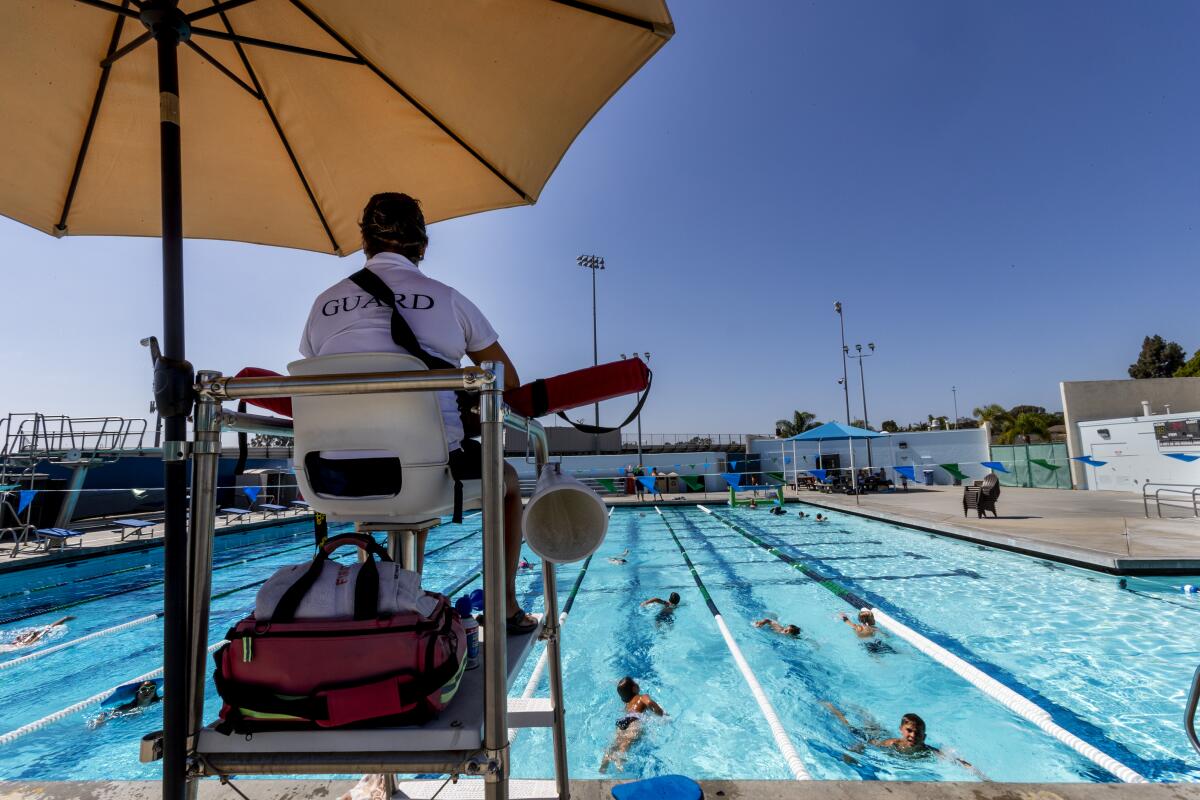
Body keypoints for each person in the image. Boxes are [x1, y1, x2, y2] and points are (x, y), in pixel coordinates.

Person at [300, 192, 536, 633]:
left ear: (365, 244)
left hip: (331, 477)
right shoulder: (447, 299)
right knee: (501, 480)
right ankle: (504, 607)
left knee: (395, 475)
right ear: (422, 246)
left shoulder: (323, 304)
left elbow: (326, 378)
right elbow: (508, 380)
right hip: (421, 471)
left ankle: (382, 605)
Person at [821, 704, 983, 776]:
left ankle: (862, 713)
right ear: (901, 731)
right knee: (851, 727)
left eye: (918, 733)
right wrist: (854, 752)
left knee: (873, 725)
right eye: (909, 731)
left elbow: (955, 760)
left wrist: (975, 771)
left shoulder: (927, 750)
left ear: (924, 737)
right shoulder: (893, 743)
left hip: (881, 734)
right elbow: (868, 743)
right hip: (875, 737)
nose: (913, 735)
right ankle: (835, 709)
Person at [599, 676, 666, 773]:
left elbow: (623, 689)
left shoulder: (627, 704)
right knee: (626, 743)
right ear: (634, 688)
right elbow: (650, 702)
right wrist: (661, 713)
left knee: (614, 743)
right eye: (635, 683)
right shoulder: (642, 697)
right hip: (635, 720)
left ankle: (603, 765)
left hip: (623, 721)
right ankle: (619, 762)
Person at [89, 681, 162, 728]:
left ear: (155, 692)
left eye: (152, 688)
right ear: (137, 693)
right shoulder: (127, 708)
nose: (148, 691)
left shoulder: (160, 701)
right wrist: (101, 719)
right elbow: (107, 714)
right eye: (143, 689)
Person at [1, 616, 74, 652]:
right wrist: (64, 619)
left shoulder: (24, 644)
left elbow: (46, 630)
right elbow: (46, 630)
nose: (19, 635)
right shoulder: (23, 644)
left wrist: (64, 619)